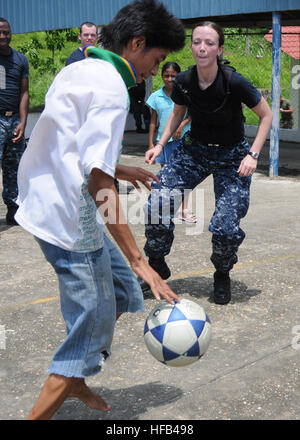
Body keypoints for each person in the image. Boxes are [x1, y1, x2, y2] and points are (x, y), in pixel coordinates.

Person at [15, 0, 185, 420]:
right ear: (137, 43)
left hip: (44, 198)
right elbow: (98, 183)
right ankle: (65, 379)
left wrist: (121, 167)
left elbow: (69, 138)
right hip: (69, 218)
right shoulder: (112, 88)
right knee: (93, 318)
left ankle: (76, 380)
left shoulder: (80, 68)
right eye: (157, 59)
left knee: (121, 289)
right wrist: (141, 259)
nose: (154, 70)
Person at [143, 21, 273, 305]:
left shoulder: (234, 82)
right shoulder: (184, 81)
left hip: (232, 156)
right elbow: (177, 113)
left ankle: (222, 274)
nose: (202, 48)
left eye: (210, 43)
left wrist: (253, 154)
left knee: (226, 224)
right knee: (157, 203)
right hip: (195, 152)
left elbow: (266, 115)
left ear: (220, 49)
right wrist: (160, 144)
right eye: (197, 42)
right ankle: (157, 261)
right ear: (192, 46)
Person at [146, 61, 196, 223]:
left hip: (183, 141)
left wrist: (182, 125)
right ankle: (166, 210)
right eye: (166, 75)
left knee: (185, 176)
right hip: (163, 142)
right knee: (165, 177)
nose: (169, 79)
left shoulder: (185, 94)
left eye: (173, 76)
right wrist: (151, 144)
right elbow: (153, 121)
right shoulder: (155, 96)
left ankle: (184, 210)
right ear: (161, 76)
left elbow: (192, 114)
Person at [0, 17, 29, 225]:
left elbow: (24, 92)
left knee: (14, 167)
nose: (3, 36)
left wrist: (23, 121)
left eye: (6, 32)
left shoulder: (20, 60)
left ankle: (13, 209)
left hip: (14, 122)